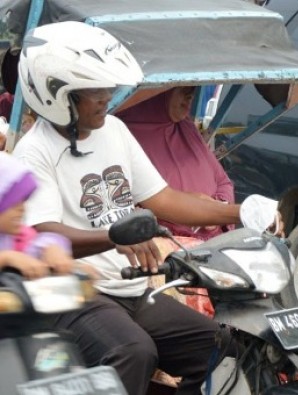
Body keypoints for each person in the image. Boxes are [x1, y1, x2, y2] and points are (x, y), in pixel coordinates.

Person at [13, 21, 281, 395]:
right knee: (132, 353)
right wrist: (112, 237)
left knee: (223, 349)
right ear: (57, 94)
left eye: (108, 85)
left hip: (133, 291)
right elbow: (45, 235)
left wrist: (242, 212)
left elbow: (165, 198)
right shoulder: (34, 152)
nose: (108, 96)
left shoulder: (115, 131)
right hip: (74, 293)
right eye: (95, 89)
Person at [116, 86, 235, 241]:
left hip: (215, 244)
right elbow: (152, 204)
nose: (190, 95)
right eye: (182, 87)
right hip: (169, 252)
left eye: (192, 88)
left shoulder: (185, 127)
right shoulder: (121, 135)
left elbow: (223, 182)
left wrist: (217, 206)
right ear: (156, 94)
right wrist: (202, 213)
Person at [0, 151, 74, 279]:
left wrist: (51, 248)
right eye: (12, 202)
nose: (22, 209)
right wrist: (5, 258)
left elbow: (37, 242)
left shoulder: (15, 237)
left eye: (23, 200)